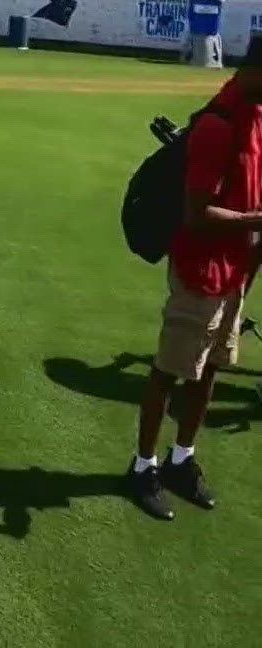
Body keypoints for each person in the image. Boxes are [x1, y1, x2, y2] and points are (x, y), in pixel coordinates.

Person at [126, 55, 262, 521]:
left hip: (235, 267)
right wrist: (257, 222)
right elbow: (196, 215)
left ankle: (181, 458)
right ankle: (142, 466)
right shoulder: (217, 127)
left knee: (210, 368)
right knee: (169, 369)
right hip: (200, 268)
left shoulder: (256, 117)